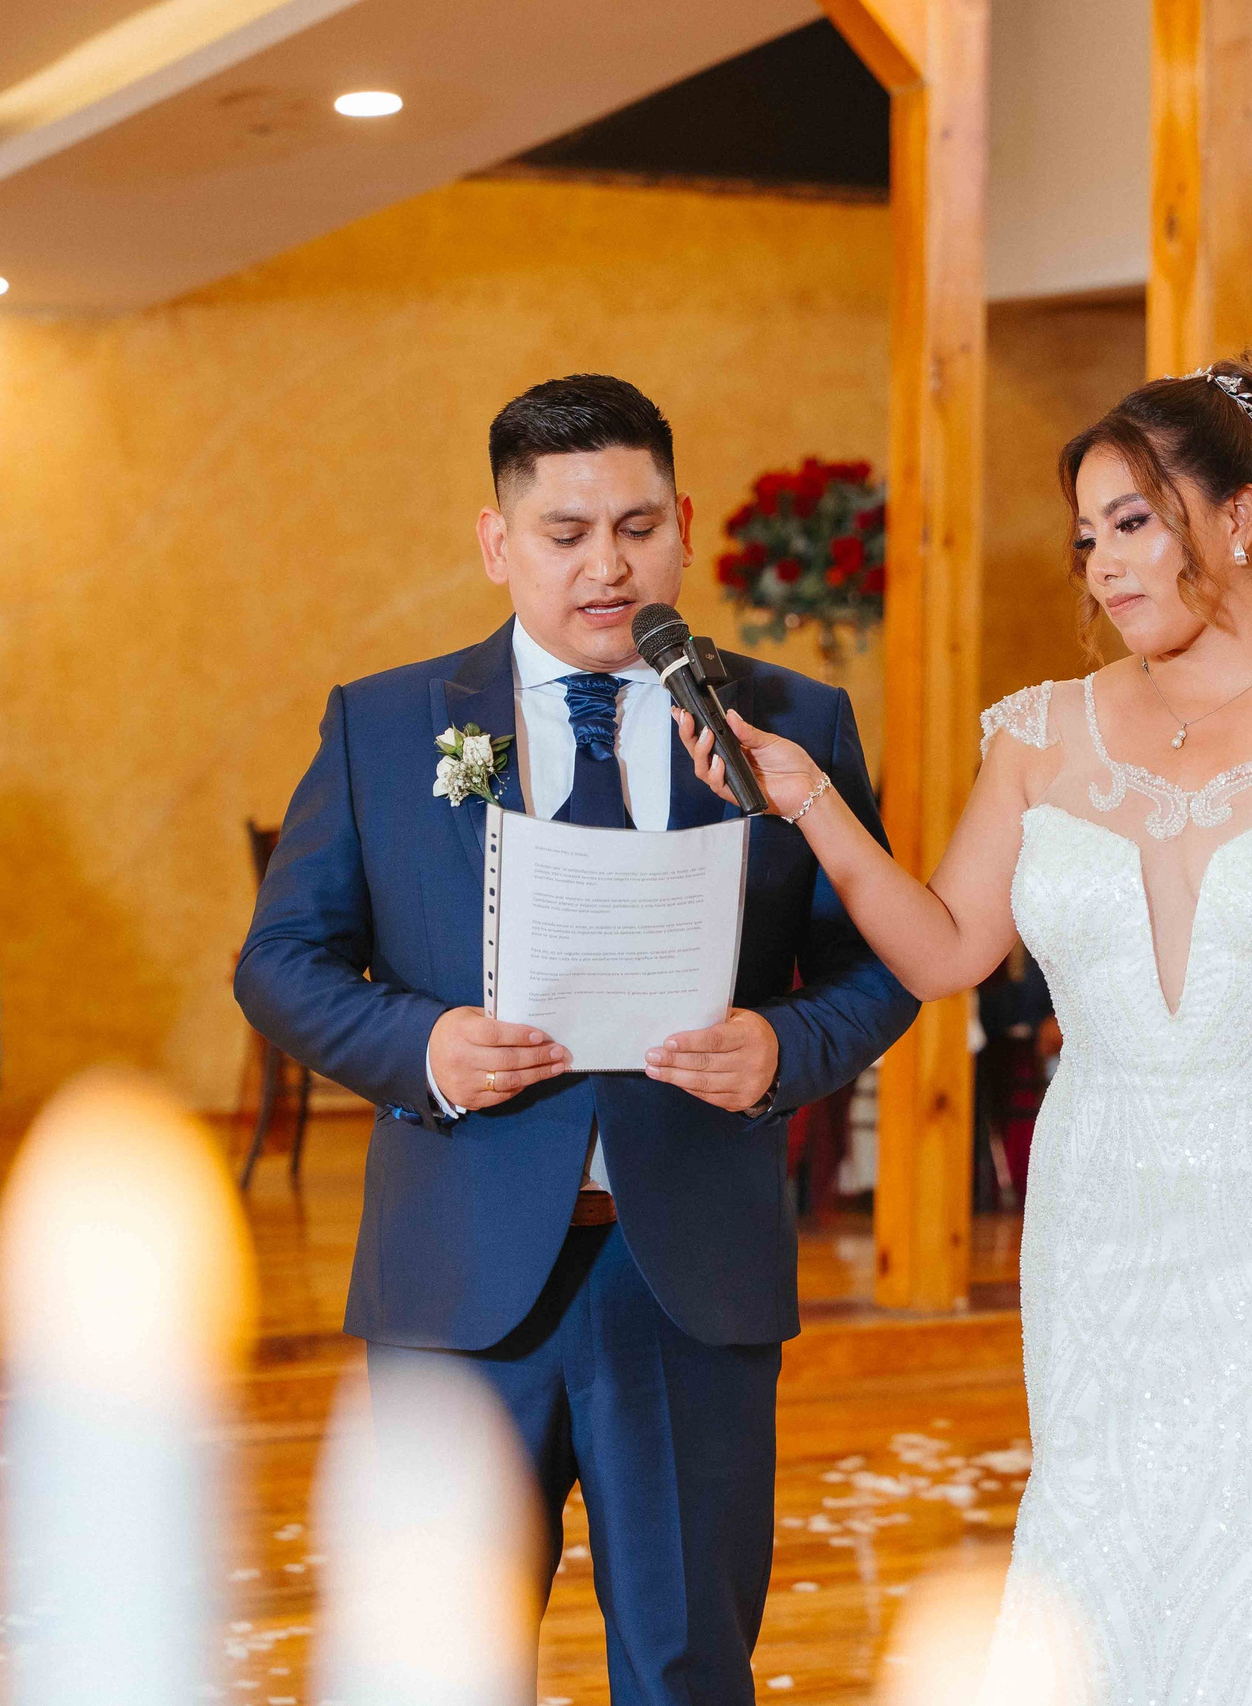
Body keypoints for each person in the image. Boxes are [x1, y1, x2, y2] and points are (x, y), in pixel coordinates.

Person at [681, 351, 1252, 1702]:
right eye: (1087, 537)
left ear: (1236, 519)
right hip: (1105, 1229)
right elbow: (945, 948)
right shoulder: (1039, 732)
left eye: (1134, 522)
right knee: (1106, 1548)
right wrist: (811, 798)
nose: (1104, 565)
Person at [235, 374, 916, 1706]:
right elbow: (281, 962)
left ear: (686, 526)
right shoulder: (388, 722)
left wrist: (782, 1050)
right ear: (498, 543)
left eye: (639, 524)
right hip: (457, 1274)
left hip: (688, 1273)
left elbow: (876, 968)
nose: (609, 563)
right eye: (565, 533)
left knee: (684, 1662)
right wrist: (426, 1045)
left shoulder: (793, 722)